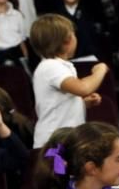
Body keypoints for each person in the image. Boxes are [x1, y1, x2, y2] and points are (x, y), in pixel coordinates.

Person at [29, 14, 106, 148]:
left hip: (65, 141)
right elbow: (83, 88)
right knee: (57, 169)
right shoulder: (51, 67)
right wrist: (101, 69)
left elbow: (59, 102)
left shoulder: (58, 66)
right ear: (67, 40)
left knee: (69, 169)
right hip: (53, 144)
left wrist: (83, 103)